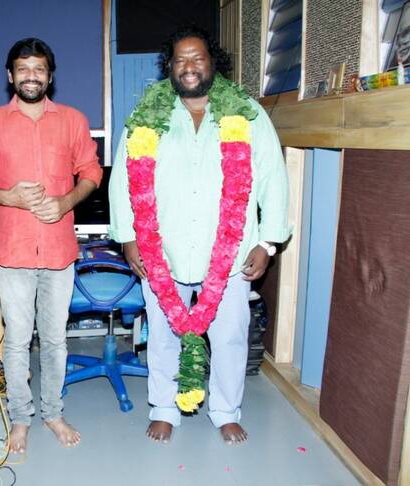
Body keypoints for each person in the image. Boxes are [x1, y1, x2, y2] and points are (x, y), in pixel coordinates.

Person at [108, 26, 290, 446]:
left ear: (213, 63)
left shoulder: (247, 113)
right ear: (169, 66)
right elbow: (122, 181)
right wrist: (129, 237)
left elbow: (273, 180)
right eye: (180, 60)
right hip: (162, 253)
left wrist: (267, 242)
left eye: (197, 58)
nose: (189, 67)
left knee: (229, 338)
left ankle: (225, 411)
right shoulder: (148, 114)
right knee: (162, 337)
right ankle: (164, 408)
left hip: (229, 255)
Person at [0, 38, 102, 454]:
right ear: (10, 75)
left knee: (55, 341)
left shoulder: (73, 121)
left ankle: (53, 413)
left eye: (39, 69)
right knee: (18, 341)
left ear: (49, 76)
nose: (31, 76)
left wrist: (66, 201)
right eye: (23, 69)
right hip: (14, 251)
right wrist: (8, 197)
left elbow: (91, 171)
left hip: (58, 250)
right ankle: (21, 418)